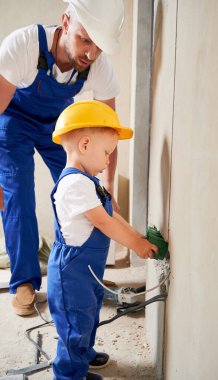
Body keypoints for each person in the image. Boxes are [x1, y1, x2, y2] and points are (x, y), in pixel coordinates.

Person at [0, 0, 124, 316]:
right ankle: (25, 284)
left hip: (59, 124)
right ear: (66, 22)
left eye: (99, 46)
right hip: (13, 122)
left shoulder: (99, 65)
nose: (91, 54)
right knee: (18, 197)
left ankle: (78, 272)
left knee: (83, 192)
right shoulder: (22, 46)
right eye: (85, 40)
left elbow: (109, 129)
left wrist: (107, 183)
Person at [47, 100, 158, 380]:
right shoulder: (75, 185)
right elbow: (105, 223)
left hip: (87, 272)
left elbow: (112, 214)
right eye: (107, 152)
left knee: (88, 315)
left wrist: (137, 237)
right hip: (71, 274)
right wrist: (136, 245)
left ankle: (83, 355)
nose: (108, 160)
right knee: (74, 324)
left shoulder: (90, 182)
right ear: (85, 145)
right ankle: (70, 374)